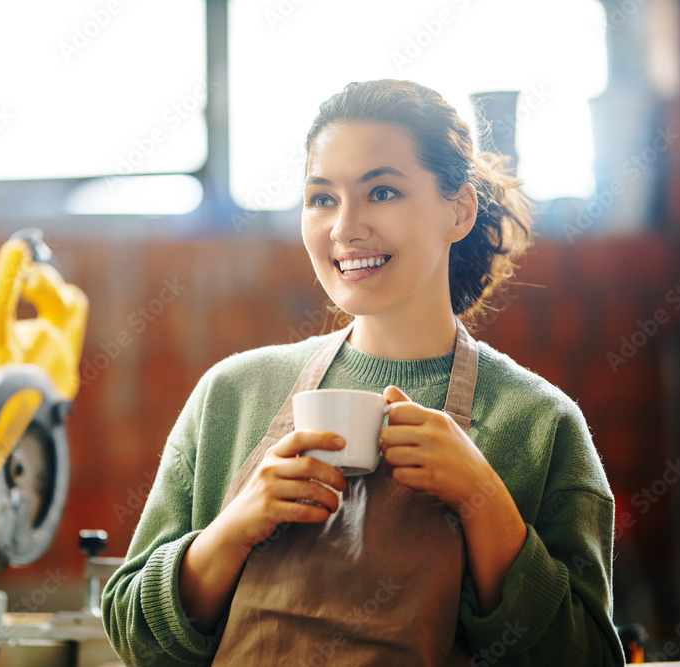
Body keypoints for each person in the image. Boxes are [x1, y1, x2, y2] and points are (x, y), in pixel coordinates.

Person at [102, 79, 624, 665]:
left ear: (459, 210)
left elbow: (589, 659)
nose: (345, 228)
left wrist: (483, 499)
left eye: (382, 191)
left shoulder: (540, 424)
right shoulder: (231, 395)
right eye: (322, 198)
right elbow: (132, 636)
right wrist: (231, 530)